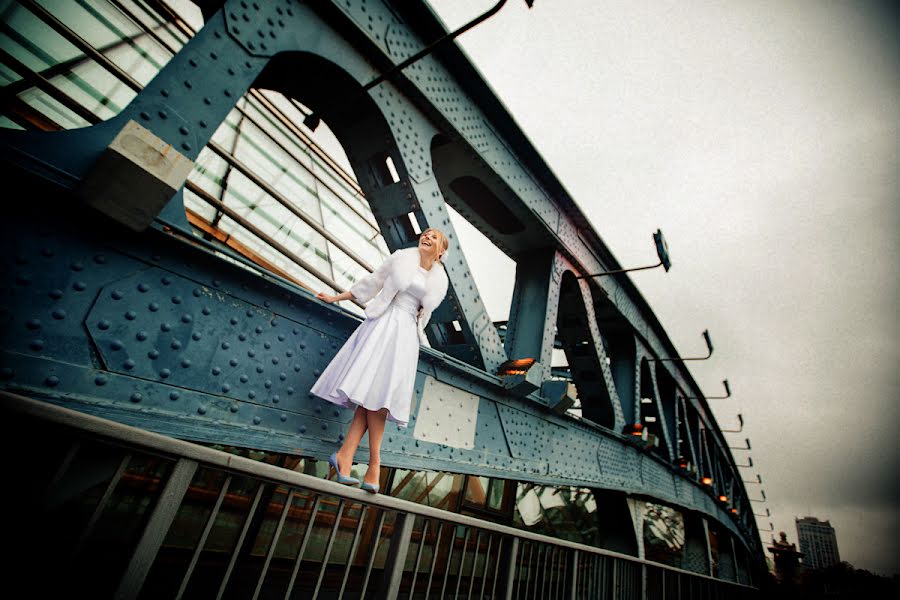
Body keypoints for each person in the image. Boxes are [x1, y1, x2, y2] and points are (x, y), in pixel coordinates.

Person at [311, 228, 450, 493]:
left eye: (434, 237)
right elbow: (372, 283)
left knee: (377, 396)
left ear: (441, 252)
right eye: (425, 233)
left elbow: (424, 314)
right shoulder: (401, 258)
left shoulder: (438, 281)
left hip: (407, 335)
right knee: (378, 397)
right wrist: (335, 297)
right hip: (385, 324)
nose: (427, 237)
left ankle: (345, 456)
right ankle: (374, 462)